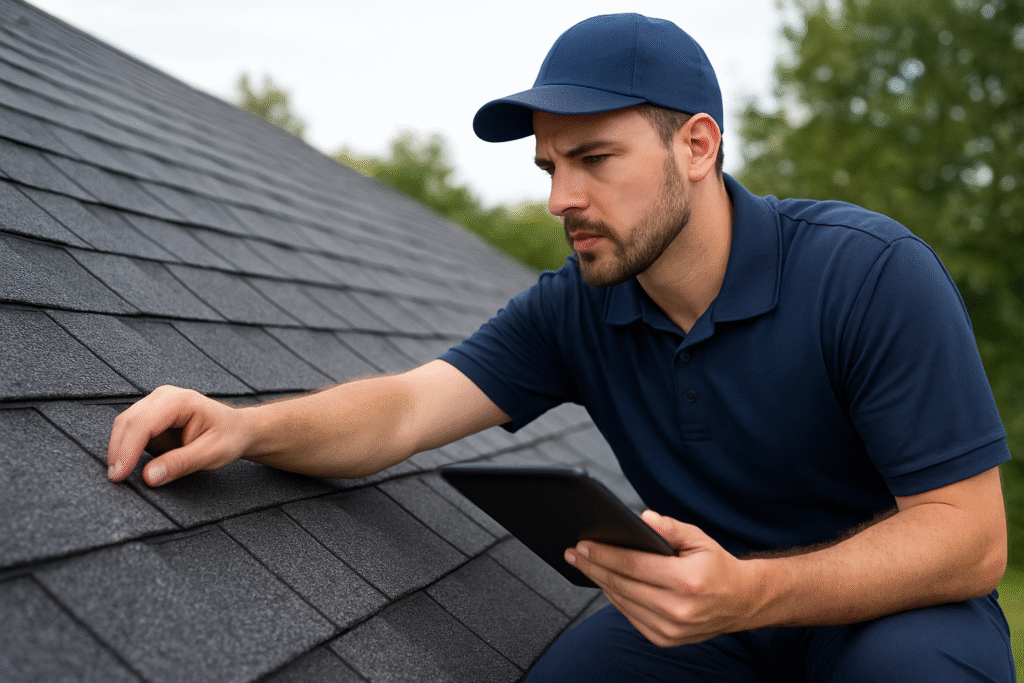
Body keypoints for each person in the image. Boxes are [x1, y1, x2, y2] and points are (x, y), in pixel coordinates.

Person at [108, 13, 1014, 682]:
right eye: (549, 166)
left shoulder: (868, 274)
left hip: (890, 613)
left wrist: (753, 590)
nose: (560, 199)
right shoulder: (580, 306)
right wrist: (243, 427)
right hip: (704, 616)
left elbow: (970, 540)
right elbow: (409, 407)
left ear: (697, 146)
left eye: (594, 159)